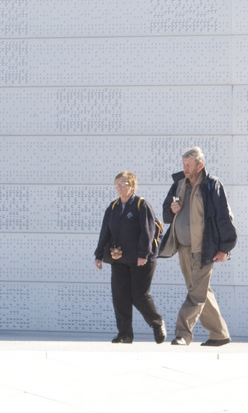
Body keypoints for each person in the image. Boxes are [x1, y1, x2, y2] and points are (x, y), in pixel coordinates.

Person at [160, 146, 237, 347]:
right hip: (183, 248)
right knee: (200, 291)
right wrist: (172, 208)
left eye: (188, 165)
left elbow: (223, 217)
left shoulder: (212, 185)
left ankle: (183, 334)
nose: (185, 168)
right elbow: (166, 215)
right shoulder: (178, 184)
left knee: (196, 294)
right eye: (183, 164)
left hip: (205, 249)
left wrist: (225, 248)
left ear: (200, 165)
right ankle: (220, 334)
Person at [93, 171, 165, 344]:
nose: (119, 187)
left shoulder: (141, 205)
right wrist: (99, 255)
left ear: (132, 186)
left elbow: (148, 232)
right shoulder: (113, 208)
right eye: (117, 184)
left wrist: (143, 254)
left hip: (142, 259)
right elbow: (105, 232)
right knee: (120, 296)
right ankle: (124, 334)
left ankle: (157, 323)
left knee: (139, 295)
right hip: (119, 259)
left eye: (123, 184)